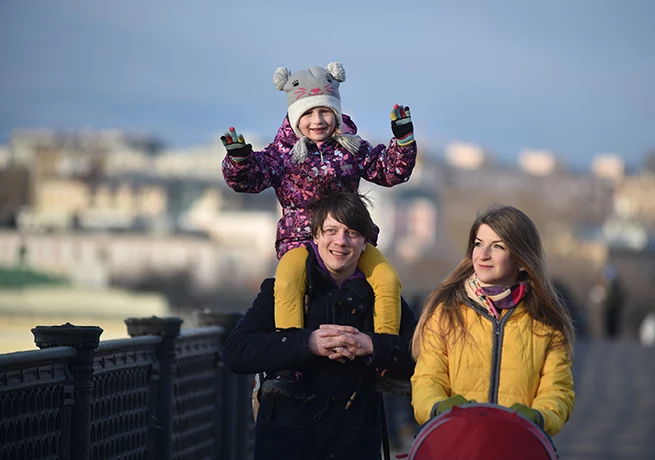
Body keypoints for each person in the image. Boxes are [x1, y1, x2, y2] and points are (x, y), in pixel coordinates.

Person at [221, 62, 417, 347]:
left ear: (336, 113)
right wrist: (240, 161)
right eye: (308, 112)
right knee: (288, 279)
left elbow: (388, 171)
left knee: (386, 278)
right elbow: (251, 179)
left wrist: (402, 142)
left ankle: (384, 349)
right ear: (294, 117)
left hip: (347, 238)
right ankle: (290, 353)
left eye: (325, 111)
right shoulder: (282, 155)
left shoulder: (351, 148)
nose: (318, 120)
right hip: (300, 240)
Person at [222, 191, 417, 460]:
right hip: (286, 441)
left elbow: (420, 354)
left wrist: (371, 344)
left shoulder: (382, 296)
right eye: (331, 231)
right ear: (315, 236)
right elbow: (236, 353)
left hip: (353, 441)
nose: (341, 241)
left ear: (365, 244)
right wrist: (307, 343)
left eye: (352, 233)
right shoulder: (280, 288)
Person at [410, 205, 575, 437]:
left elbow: (558, 391)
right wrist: (439, 410)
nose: (483, 255)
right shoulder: (446, 312)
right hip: (456, 443)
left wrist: (538, 418)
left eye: (497, 246)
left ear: (521, 258)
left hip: (516, 444)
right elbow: (427, 379)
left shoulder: (546, 323)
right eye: (478, 244)